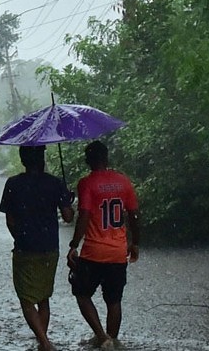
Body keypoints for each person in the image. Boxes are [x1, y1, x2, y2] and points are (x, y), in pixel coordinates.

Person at [0, 145, 74, 351]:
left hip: (25, 248)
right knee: (43, 297)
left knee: (26, 299)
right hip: (50, 247)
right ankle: (43, 342)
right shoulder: (55, 183)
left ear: (22, 160)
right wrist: (68, 199)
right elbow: (68, 217)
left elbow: (10, 220)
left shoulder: (13, 184)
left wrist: (20, 238)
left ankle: (45, 343)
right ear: (42, 158)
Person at [66, 141, 140, 350]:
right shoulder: (123, 181)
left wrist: (73, 244)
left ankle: (101, 336)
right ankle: (112, 340)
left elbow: (85, 216)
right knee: (114, 300)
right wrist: (135, 243)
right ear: (106, 158)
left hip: (93, 252)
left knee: (81, 293)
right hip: (118, 252)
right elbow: (134, 214)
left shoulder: (86, 183)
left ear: (88, 161)